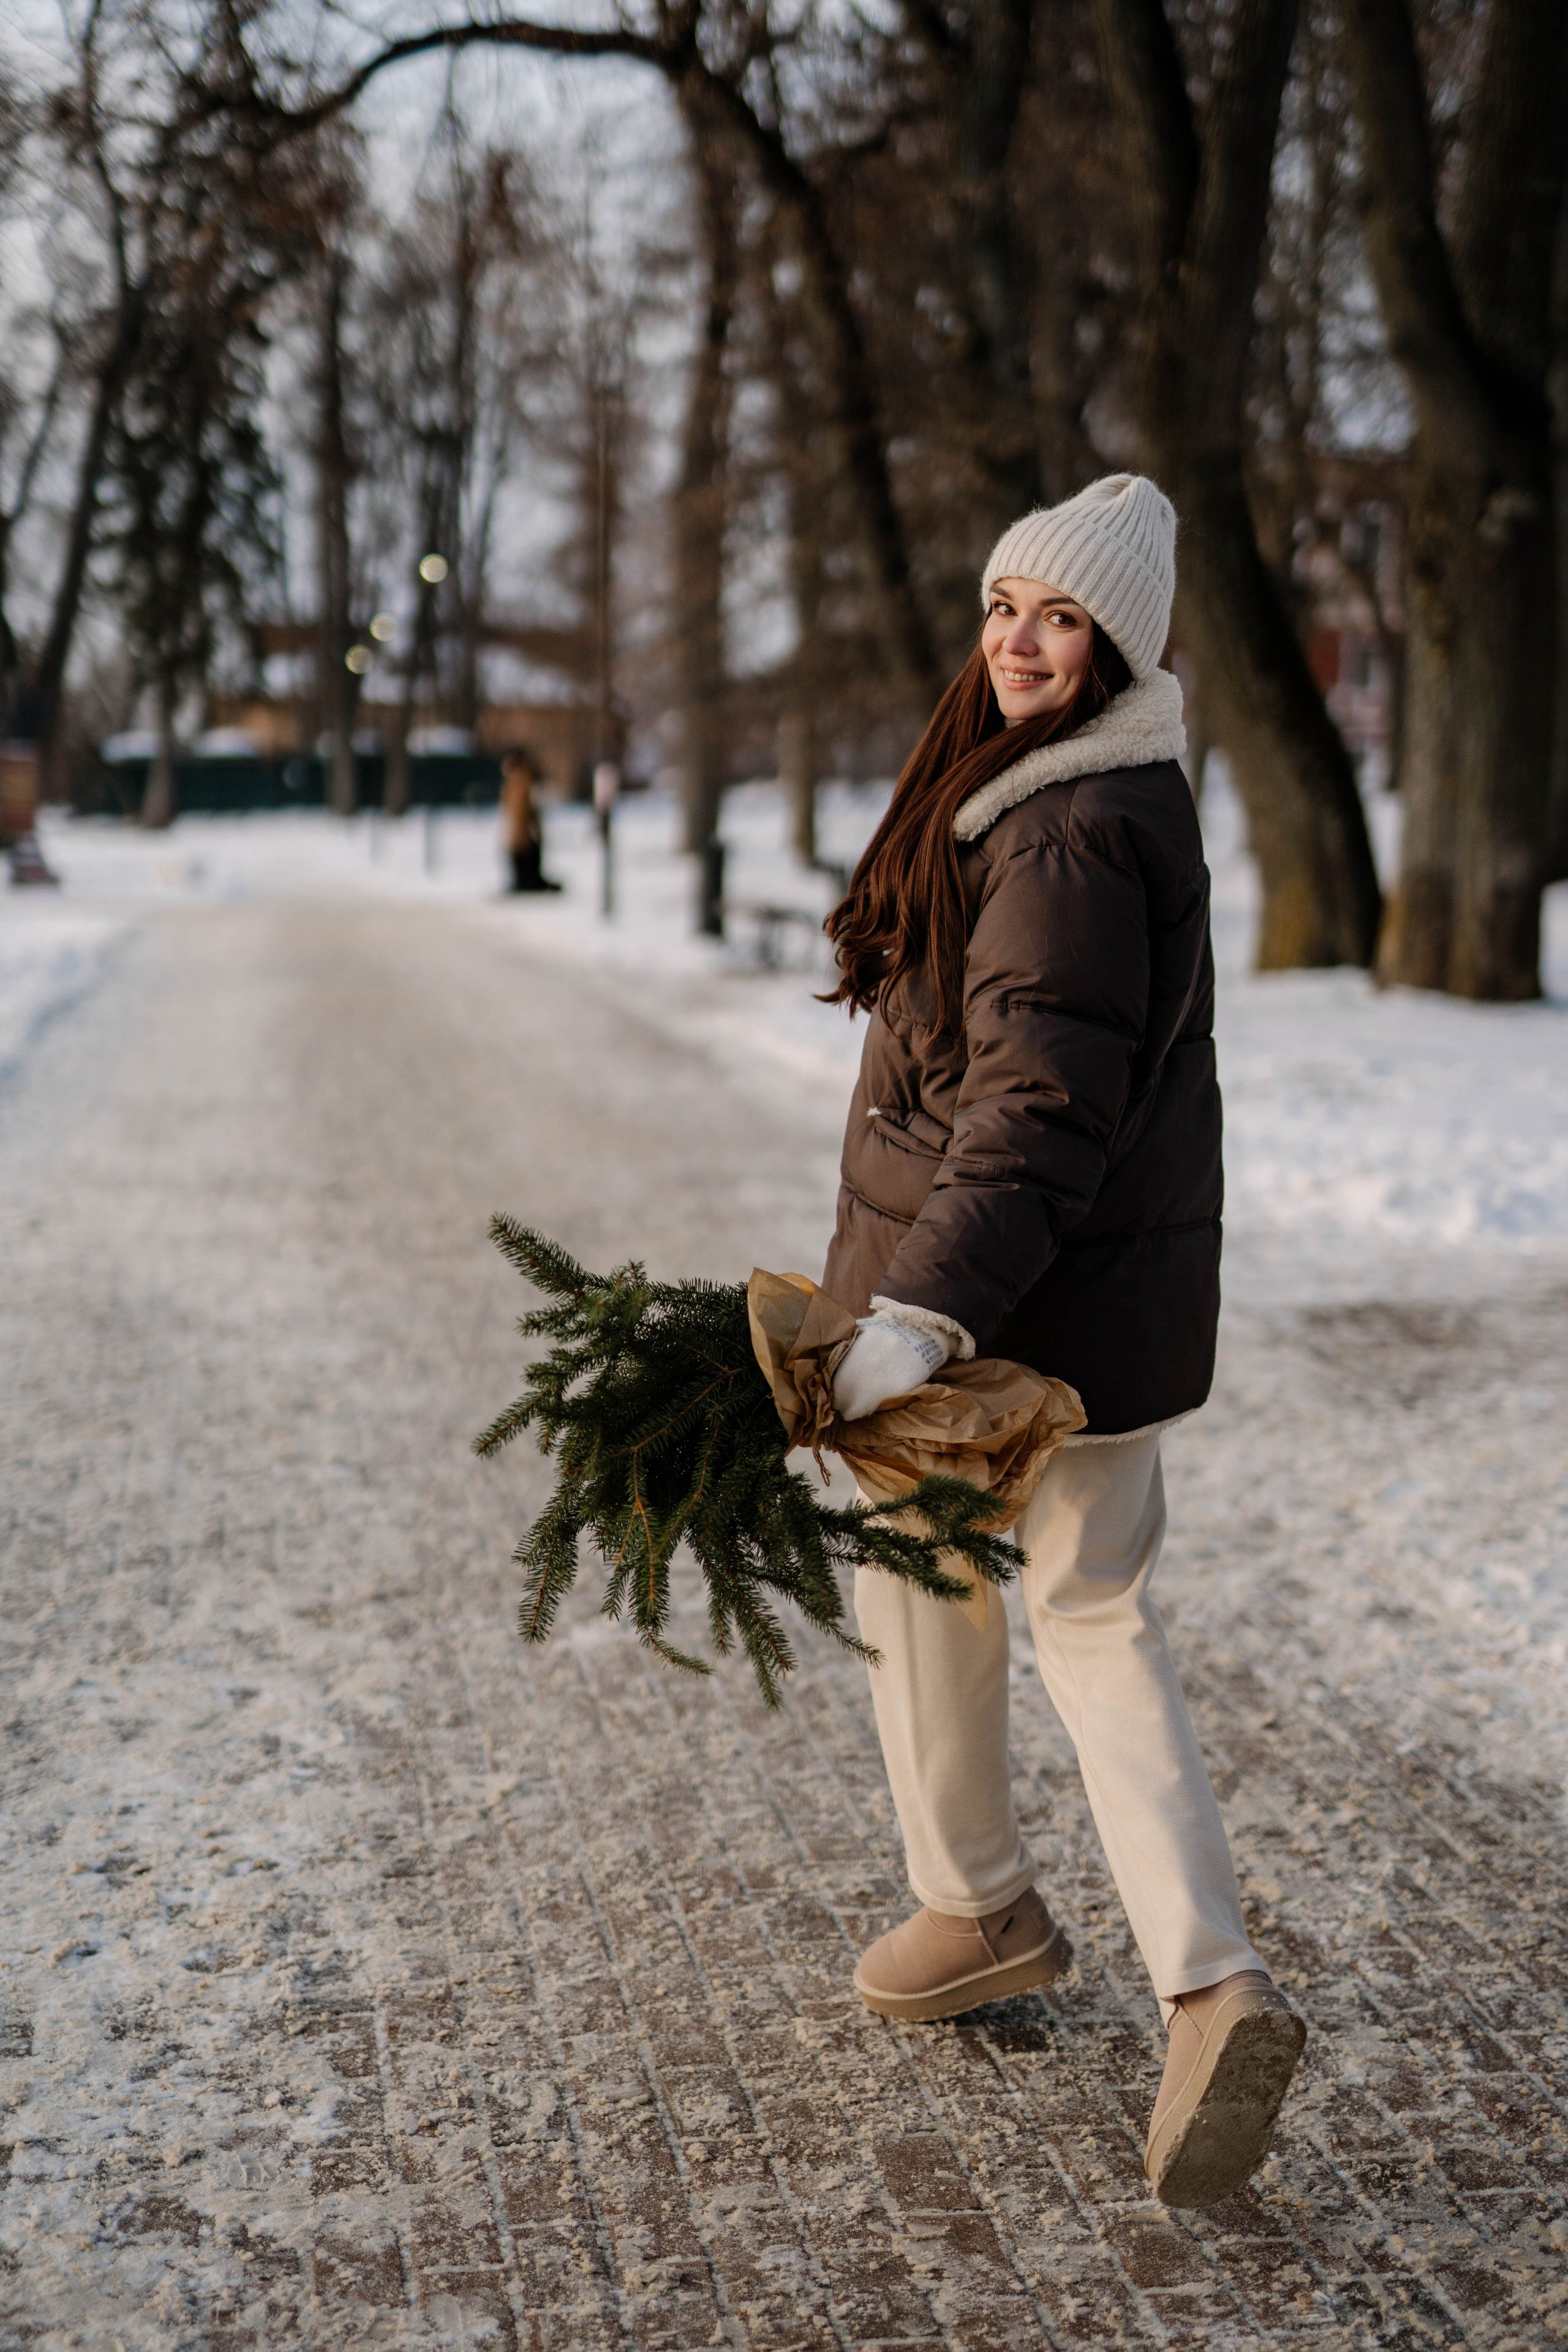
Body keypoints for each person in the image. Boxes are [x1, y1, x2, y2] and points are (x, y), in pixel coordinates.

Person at [821, 473, 1305, 2211]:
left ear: (1121, 649)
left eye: (1065, 620)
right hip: (1060, 1294)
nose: (1023, 642)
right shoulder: (1059, 788)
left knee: (1026, 1591)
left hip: (1024, 1307)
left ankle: (1095, 1945)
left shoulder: (1075, 829)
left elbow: (1032, 1113)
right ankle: (1094, 1946)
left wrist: (922, 1312)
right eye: (1009, 607)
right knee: (996, 1584)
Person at [500, 748, 562, 893]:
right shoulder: (519, 781)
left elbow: (525, 808)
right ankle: (527, 882)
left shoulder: (521, 780)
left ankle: (528, 883)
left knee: (525, 860)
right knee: (524, 860)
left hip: (522, 833)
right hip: (520, 833)